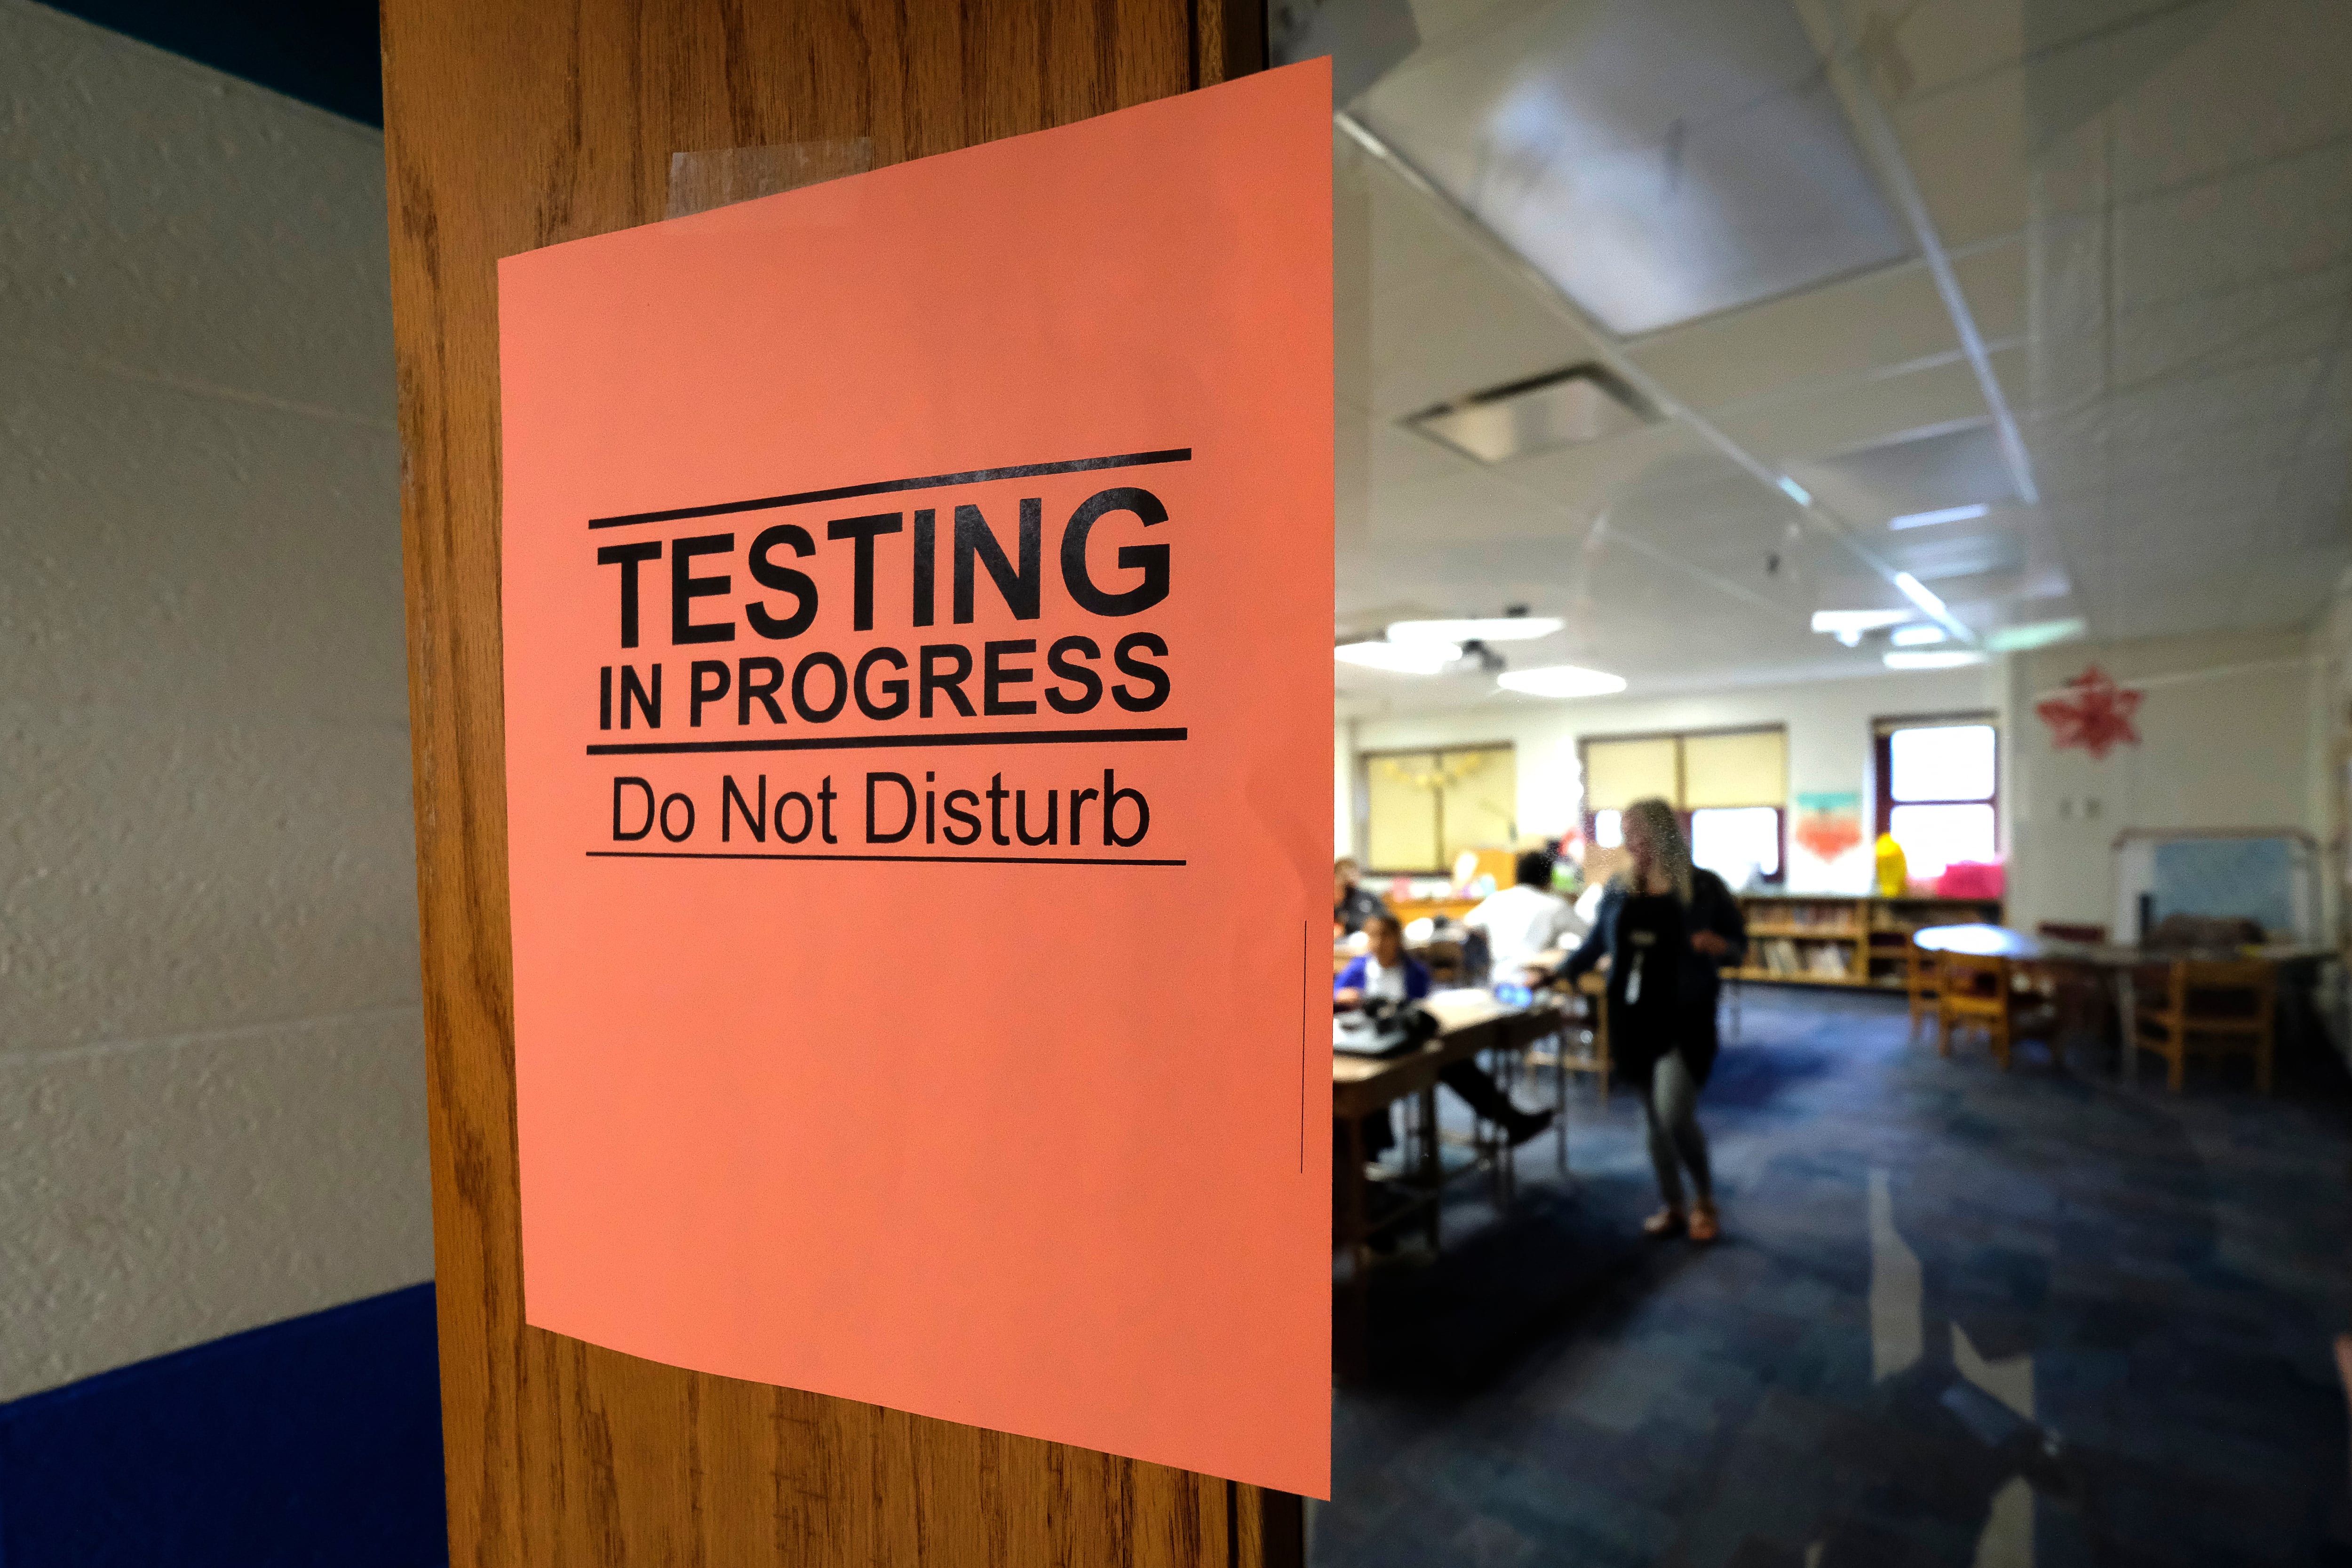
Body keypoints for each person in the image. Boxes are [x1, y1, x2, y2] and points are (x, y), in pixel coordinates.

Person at [1543, 798, 1745, 1243]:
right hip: (1631, 1015)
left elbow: (1739, 946)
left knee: (1674, 1114)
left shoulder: (1704, 887)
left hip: (1684, 1015)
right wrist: (1561, 971)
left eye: (1637, 832)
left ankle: (1705, 1200)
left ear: (1662, 834)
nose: (1629, 842)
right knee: (1652, 1121)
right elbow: (1597, 943)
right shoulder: (1618, 888)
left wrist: (1720, 946)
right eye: (1626, 831)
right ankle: (1674, 1205)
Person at [1338, 913, 1553, 1146]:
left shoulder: (1414, 970)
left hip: (1405, 1042)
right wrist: (1341, 997)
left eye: (1385, 936)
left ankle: (1512, 1120)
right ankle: (1373, 1152)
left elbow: (1422, 1007)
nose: (1379, 943)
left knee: (1455, 1061)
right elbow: (1334, 996)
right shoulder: (1357, 969)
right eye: (1373, 937)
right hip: (1364, 1043)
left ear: (1398, 939)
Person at [1462, 850, 1585, 974]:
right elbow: (1588, 934)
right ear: (1548, 879)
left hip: (1500, 975)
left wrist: (1489, 936)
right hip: (1537, 977)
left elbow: (1468, 923)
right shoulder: (1555, 906)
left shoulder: (1497, 899)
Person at [1333, 856, 1388, 936]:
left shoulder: (1368, 897)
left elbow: (1385, 918)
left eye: (1353, 874)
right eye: (1344, 876)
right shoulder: (1336, 901)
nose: (1350, 880)